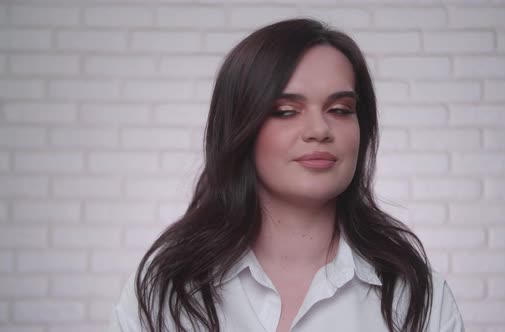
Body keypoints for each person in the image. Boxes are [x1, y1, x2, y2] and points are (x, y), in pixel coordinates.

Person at [109, 18, 464, 332]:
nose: (319, 130)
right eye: (285, 111)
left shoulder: (415, 295)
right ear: (240, 128)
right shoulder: (166, 291)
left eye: (340, 109)